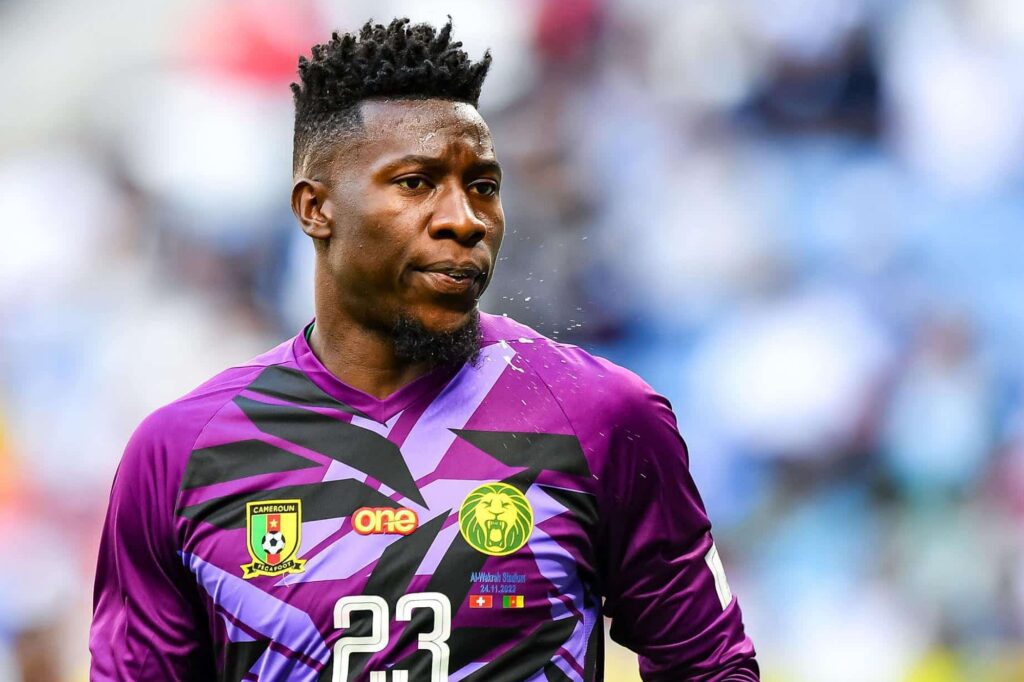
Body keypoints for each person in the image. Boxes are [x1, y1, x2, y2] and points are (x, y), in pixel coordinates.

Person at [90, 18, 759, 682]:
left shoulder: (600, 417)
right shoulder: (182, 453)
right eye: (415, 183)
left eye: (483, 186)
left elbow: (710, 668)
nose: (464, 220)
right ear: (316, 208)